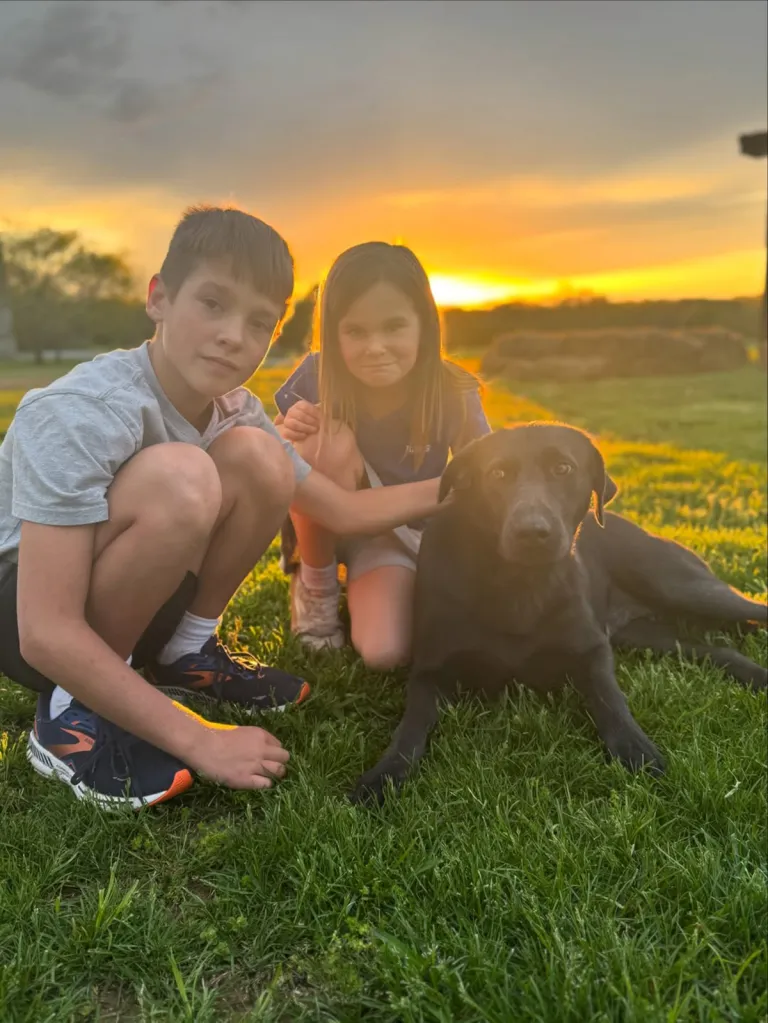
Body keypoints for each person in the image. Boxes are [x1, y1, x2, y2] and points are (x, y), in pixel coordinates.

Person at [0, 208, 442, 809]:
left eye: (259, 322)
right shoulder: (78, 412)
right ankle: (68, 715)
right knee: (183, 475)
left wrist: (466, 483)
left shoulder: (236, 409)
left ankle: (186, 650)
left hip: (134, 594)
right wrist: (200, 739)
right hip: (30, 611)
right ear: (159, 297)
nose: (235, 335)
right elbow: (44, 632)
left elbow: (340, 509)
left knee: (261, 458)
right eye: (213, 303)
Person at [274, 242, 491, 667]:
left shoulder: (453, 390)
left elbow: (484, 476)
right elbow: (273, 458)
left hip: (411, 532)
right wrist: (285, 430)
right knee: (312, 439)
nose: (376, 347)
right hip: (339, 528)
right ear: (334, 334)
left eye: (394, 327)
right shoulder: (316, 377)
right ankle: (317, 585)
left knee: (385, 653)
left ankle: (377, 586)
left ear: (424, 326)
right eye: (356, 331)